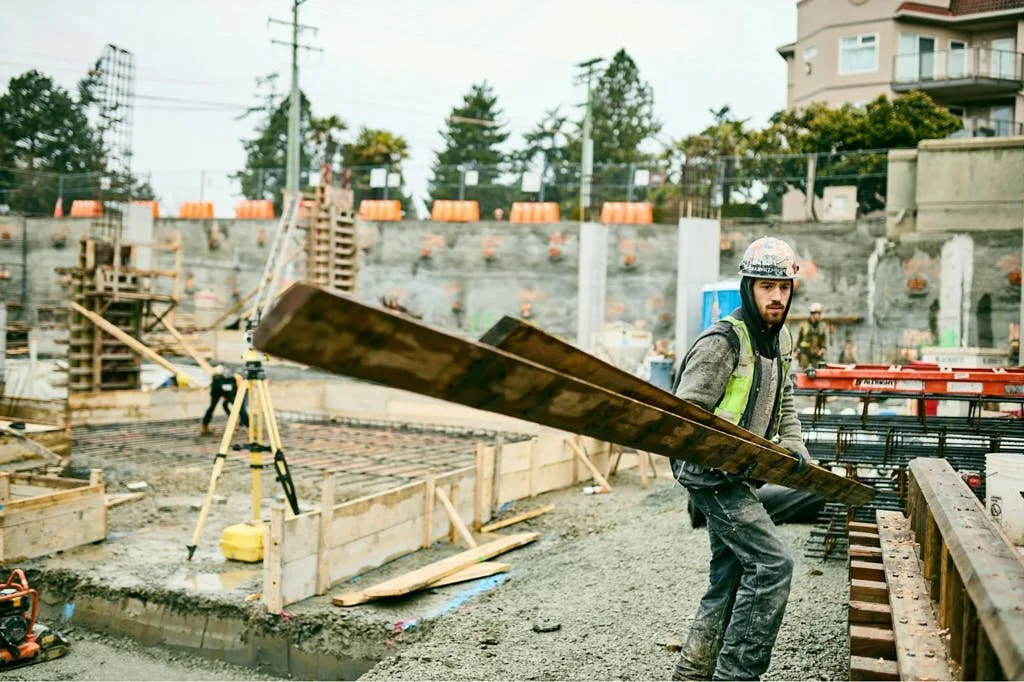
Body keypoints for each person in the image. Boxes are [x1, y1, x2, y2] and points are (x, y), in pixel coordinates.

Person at [670, 236, 812, 681]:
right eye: (766, 287)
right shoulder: (722, 343)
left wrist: (795, 445)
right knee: (772, 565)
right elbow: (683, 419)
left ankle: (691, 674)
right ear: (748, 288)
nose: (776, 296)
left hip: (743, 474)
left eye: (784, 288)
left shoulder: (780, 339)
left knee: (727, 580)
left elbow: (785, 398)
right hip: (711, 477)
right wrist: (715, 458)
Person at [200, 366, 249, 435]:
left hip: (220, 390)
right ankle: (247, 425)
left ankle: (205, 425)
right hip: (228, 391)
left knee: (214, 406)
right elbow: (236, 389)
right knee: (239, 407)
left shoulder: (229, 378)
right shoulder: (236, 378)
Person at [795, 302, 828, 370]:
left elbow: (823, 342)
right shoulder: (803, 325)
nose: (819, 316)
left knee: (817, 373)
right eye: (818, 313)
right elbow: (798, 340)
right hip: (804, 354)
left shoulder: (822, 326)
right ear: (813, 314)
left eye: (820, 314)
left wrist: (823, 350)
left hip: (816, 355)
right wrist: (795, 351)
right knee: (804, 372)